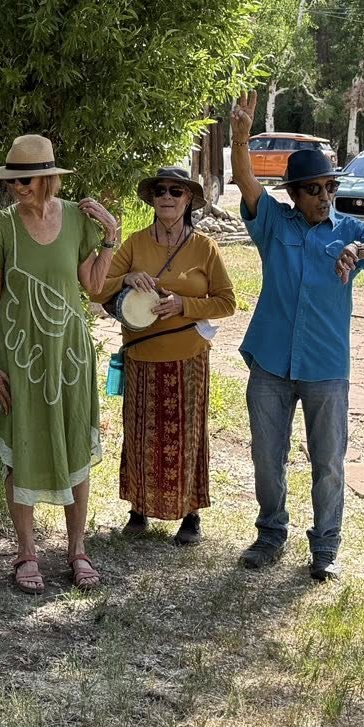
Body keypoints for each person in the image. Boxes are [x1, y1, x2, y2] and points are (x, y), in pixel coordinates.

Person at [229, 93, 364, 580]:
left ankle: (325, 547)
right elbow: (246, 181)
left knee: (328, 461)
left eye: (330, 187)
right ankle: (270, 534)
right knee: (267, 455)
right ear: (295, 193)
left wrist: (361, 249)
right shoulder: (272, 224)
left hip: (326, 367)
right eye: (314, 189)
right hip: (270, 362)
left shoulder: (348, 229)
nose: (324, 197)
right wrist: (240, 136)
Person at [0, 135, 120, 591]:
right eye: (12, 178)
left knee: (75, 445)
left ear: (49, 178)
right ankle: (26, 552)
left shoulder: (77, 218)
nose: (18, 186)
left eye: (27, 178)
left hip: (70, 356)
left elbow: (94, 286)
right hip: (23, 356)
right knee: (23, 448)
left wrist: (111, 238)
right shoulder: (1, 226)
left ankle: (77, 550)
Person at [98, 166, 236, 546]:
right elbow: (97, 288)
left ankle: (190, 515)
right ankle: (138, 511)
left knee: (187, 436)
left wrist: (183, 305)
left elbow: (227, 302)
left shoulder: (205, 247)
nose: (167, 197)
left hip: (187, 357)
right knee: (142, 434)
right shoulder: (135, 244)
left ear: (188, 199)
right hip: (142, 356)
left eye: (176, 191)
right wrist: (126, 279)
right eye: (160, 191)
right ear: (152, 198)